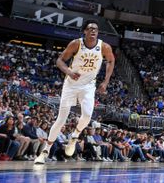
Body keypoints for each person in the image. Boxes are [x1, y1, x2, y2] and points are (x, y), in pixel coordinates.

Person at [35, 21, 115, 165]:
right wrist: (69, 72)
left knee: (87, 115)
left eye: (95, 29)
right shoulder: (76, 44)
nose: (93, 31)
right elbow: (60, 60)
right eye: (90, 28)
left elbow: (111, 61)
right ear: (84, 31)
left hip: (88, 85)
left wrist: (106, 81)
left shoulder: (104, 47)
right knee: (61, 119)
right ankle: (45, 151)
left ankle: (75, 136)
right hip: (71, 84)